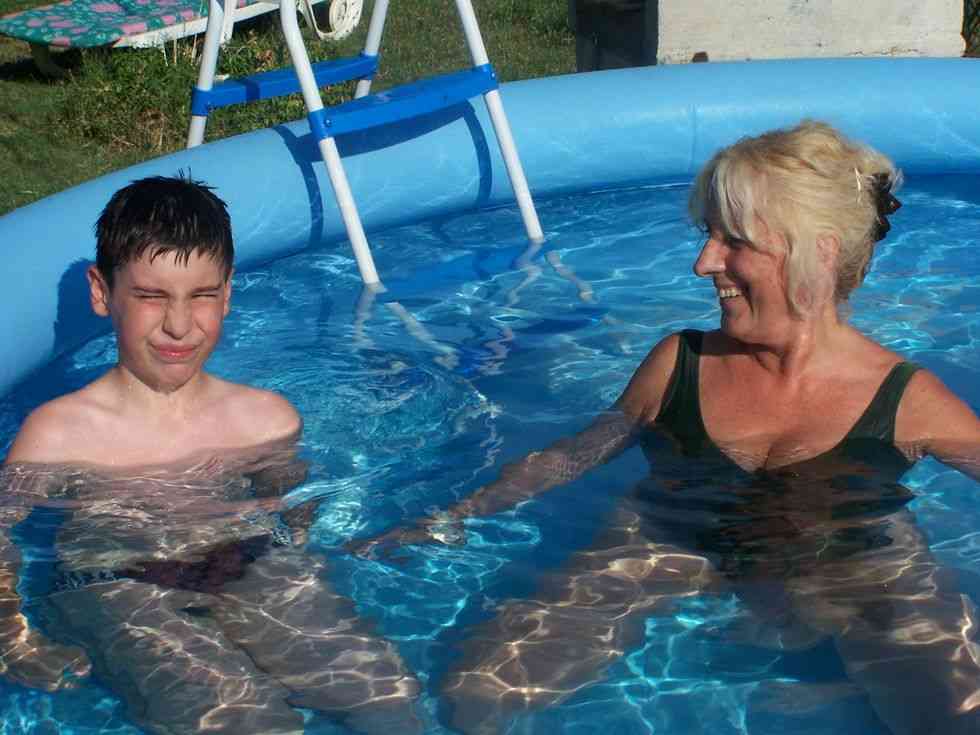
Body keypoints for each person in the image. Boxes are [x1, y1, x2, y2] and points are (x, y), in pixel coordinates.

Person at [351, 121, 980, 734]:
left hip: (849, 561)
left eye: (735, 240)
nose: (704, 263)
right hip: (669, 540)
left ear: (820, 251)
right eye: (709, 235)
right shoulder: (680, 364)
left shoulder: (905, 400)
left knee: (961, 714)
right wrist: (454, 515)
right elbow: (574, 456)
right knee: (476, 691)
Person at [1, 176, 420, 734]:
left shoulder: (265, 420)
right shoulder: (58, 434)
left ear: (226, 294)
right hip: (117, 581)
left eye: (201, 295)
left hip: (246, 560)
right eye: (151, 296)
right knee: (246, 722)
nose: (179, 325)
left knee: (386, 698)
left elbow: (292, 507)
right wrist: (12, 638)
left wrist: (303, 553)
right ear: (102, 293)